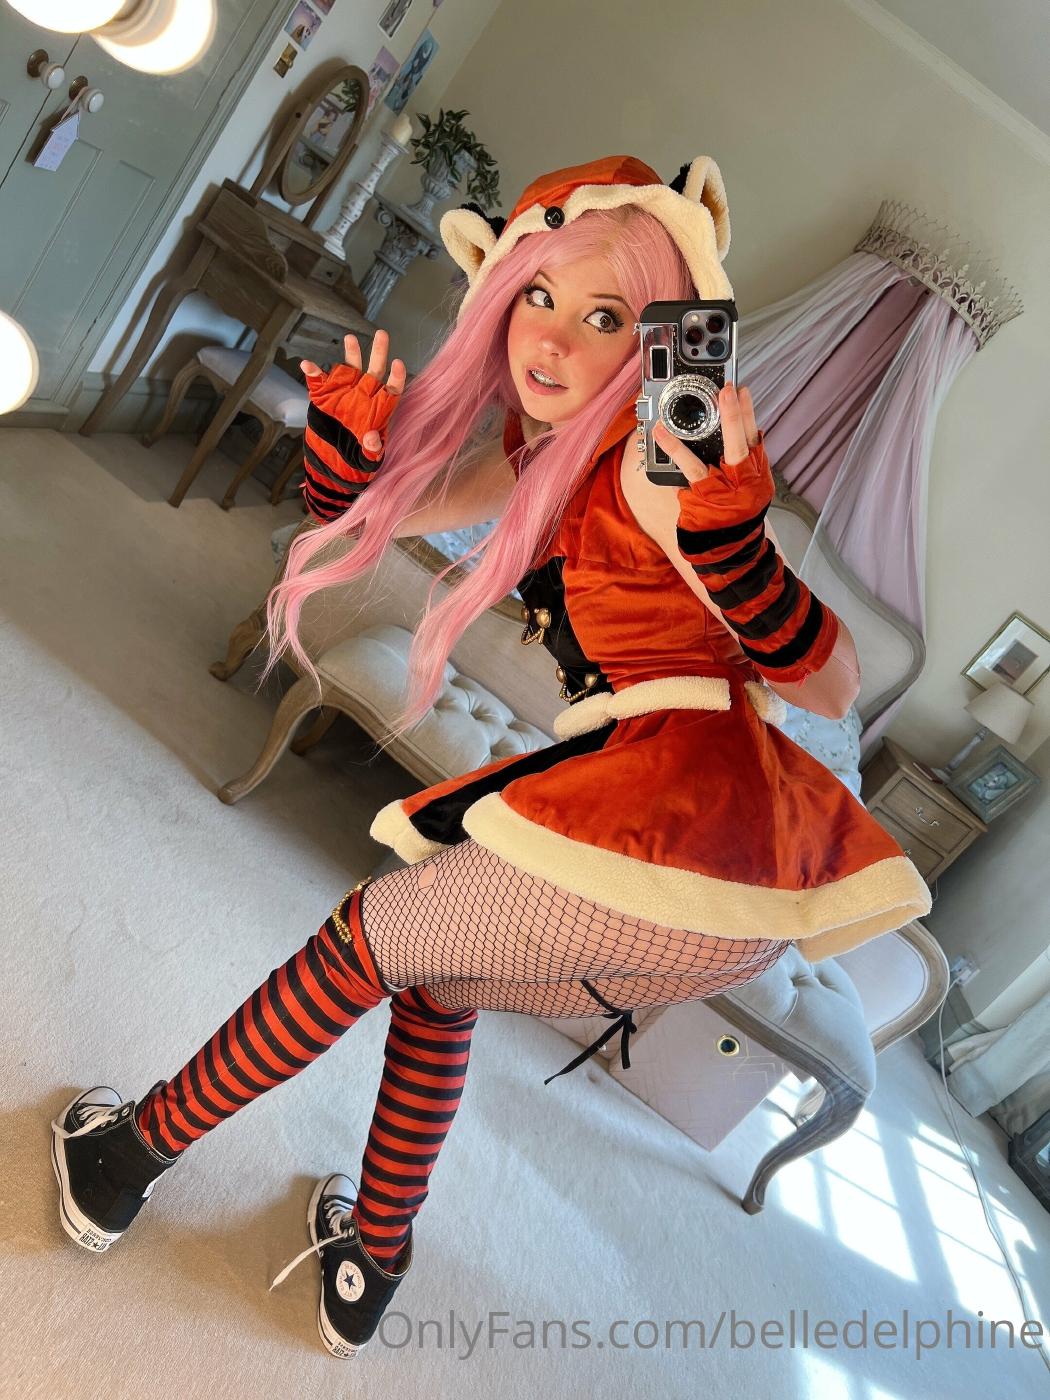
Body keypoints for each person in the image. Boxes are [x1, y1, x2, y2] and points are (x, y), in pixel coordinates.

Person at [51, 155, 931, 1361]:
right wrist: (348, 456)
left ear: (658, 338)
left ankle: (121, 1156)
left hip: (676, 819)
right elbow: (377, 518)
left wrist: (734, 544)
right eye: (540, 295)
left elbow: (832, 684)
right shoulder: (545, 451)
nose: (553, 339)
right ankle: (368, 1261)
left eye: (608, 316)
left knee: (363, 940)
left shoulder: (650, 459)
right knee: (436, 978)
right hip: (700, 878)